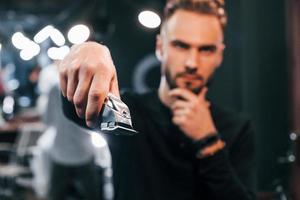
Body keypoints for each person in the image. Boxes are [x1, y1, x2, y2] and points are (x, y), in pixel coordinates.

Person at [59, 0, 257, 199]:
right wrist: (87, 52)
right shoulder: (132, 113)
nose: (192, 63)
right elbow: (76, 107)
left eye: (205, 49)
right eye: (181, 45)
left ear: (219, 56)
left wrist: (208, 142)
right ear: (160, 47)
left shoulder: (236, 128)